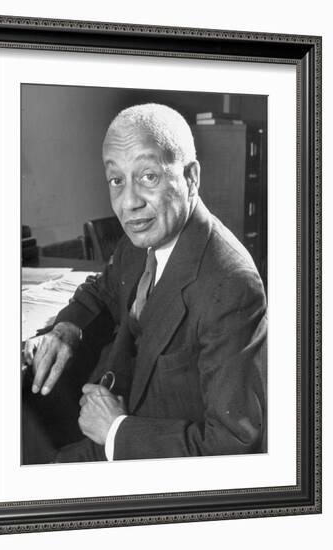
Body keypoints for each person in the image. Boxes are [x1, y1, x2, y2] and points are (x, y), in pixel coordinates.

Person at [24, 103, 267, 462]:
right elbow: (103, 288)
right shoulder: (144, 236)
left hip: (147, 450)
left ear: (191, 177)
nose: (128, 203)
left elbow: (233, 445)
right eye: (116, 180)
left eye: (148, 176)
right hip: (103, 402)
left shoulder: (231, 285)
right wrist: (65, 329)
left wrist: (115, 430)